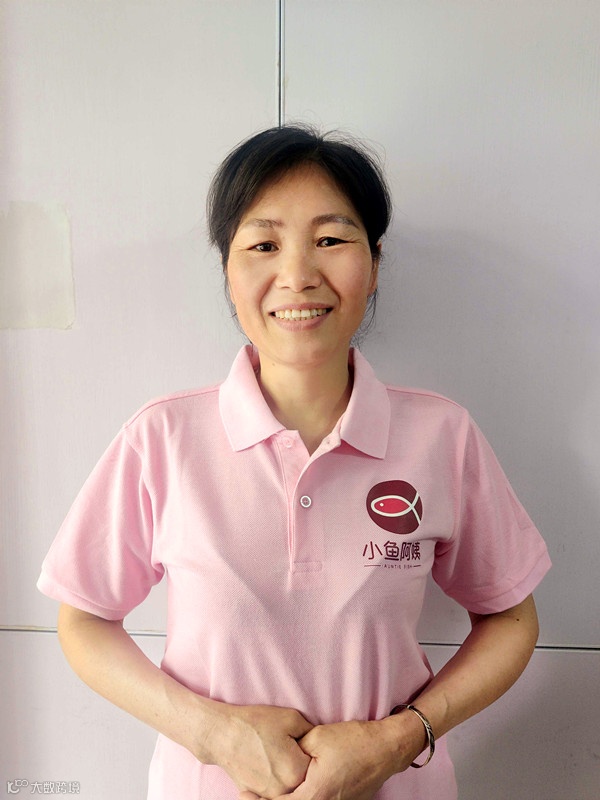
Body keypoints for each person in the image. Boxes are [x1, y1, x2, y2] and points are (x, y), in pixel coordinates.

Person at [37, 124, 551, 800]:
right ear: (228, 270)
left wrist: (399, 740)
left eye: (331, 240)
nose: (299, 275)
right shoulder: (162, 438)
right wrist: (215, 735)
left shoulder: (442, 436)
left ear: (374, 265)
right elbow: (83, 619)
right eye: (263, 245)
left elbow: (511, 618)